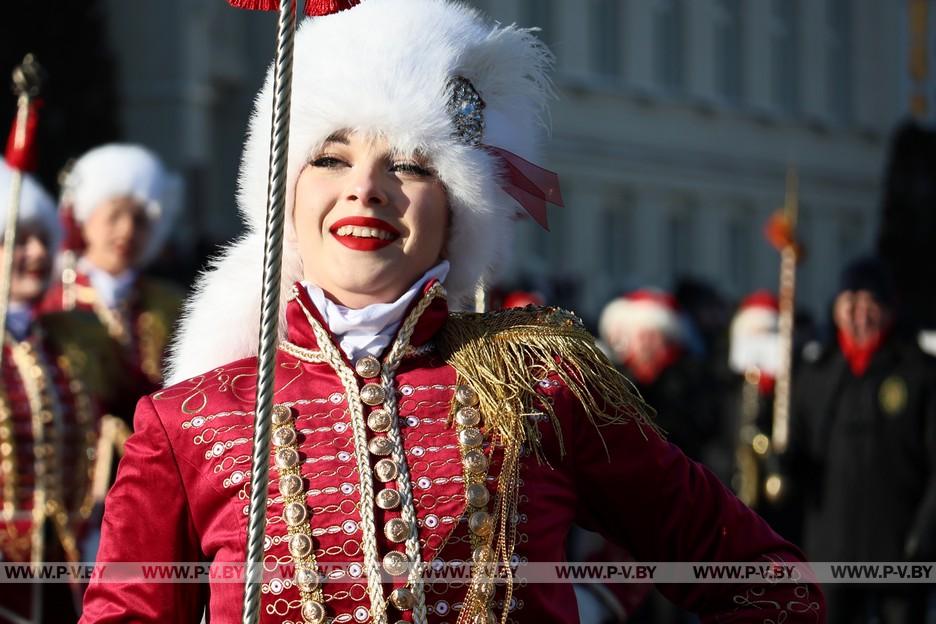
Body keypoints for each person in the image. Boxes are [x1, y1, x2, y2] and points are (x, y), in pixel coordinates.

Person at [81, 1, 825, 622]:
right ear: (286, 190)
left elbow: (765, 580)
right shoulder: (186, 423)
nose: (366, 189)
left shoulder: (540, 385)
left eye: (409, 162)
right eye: (332, 157)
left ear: (458, 210)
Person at [789, 256, 936, 623]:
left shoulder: (919, 372)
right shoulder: (816, 372)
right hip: (832, 547)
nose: (859, 315)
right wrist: (784, 463)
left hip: (899, 546)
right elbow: (800, 449)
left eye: (869, 304)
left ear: (888, 309)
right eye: (849, 304)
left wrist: (925, 531)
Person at [0, 158, 107, 623]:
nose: (37, 253)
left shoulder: (67, 340)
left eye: (44, 238)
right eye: (19, 240)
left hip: (61, 569)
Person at [39, 143, 183, 419]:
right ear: (84, 218)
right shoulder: (54, 299)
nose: (127, 230)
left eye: (140, 220)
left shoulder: (170, 304)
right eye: (114, 215)